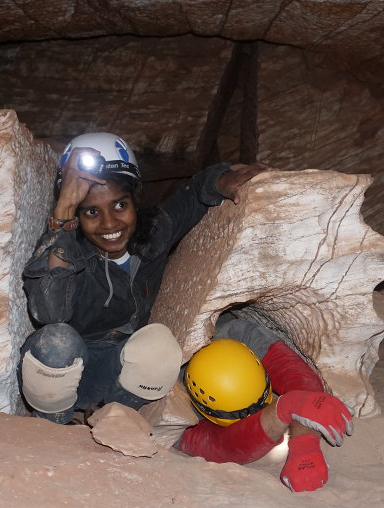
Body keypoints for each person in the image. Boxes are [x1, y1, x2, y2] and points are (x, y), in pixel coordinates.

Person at [20, 132, 270, 426]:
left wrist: (221, 181)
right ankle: (52, 425)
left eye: (120, 205)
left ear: (135, 201)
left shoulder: (152, 234)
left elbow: (193, 193)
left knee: (160, 344)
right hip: (64, 370)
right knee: (57, 340)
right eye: (91, 212)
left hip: (116, 371)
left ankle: (112, 420)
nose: (110, 223)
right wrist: (62, 212)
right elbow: (49, 314)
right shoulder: (67, 248)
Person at [177, 317, 354, 492]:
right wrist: (283, 409)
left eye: (261, 401)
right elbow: (222, 446)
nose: (257, 413)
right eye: (242, 413)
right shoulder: (173, 406)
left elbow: (293, 372)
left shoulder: (240, 335)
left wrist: (305, 442)